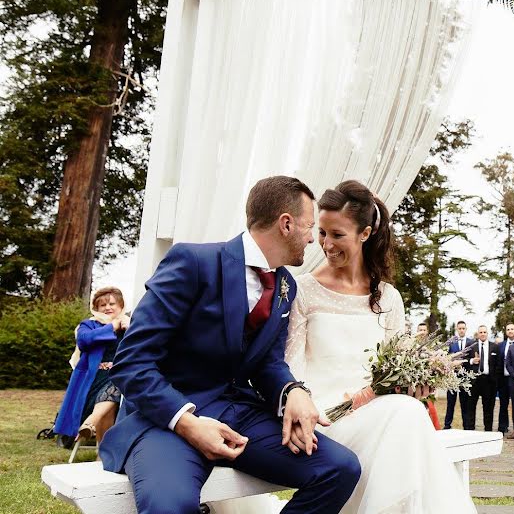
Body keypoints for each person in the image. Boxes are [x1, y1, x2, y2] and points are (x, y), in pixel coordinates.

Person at [99, 176, 360, 514]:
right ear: (286, 223)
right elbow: (132, 362)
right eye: (310, 227)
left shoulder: (285, 285)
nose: (313, 239)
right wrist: (187, 422)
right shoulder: (193, 262)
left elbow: (268, 362)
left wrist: (293, 391)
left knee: (339, 468)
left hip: (241, 415)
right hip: (167, 419)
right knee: (170, 506)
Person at [285, 180, 476, 513]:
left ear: (365, 234)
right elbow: (291, 368)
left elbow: (395, 368)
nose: (327, 244)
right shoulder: (303, 291)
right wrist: (306, 410)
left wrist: (413, 384)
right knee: (407, 416)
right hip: (325, 419)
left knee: (408, 411)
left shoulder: (388, 298)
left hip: (379, 412)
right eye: (322, 232)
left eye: (337, 234)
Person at [54, 287, 130, 443]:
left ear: (121, 306)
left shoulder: (131, 324)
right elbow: (84, 341)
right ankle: (102, 453)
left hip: (121, 379)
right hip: (93, 380)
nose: (108, 307)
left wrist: (130, 328)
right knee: (114, 393)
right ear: (96, 308)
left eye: (112, 304)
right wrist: (112, 327)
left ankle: (91, 422)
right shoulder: (89, 325)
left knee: (117, 382)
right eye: (103, 305)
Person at [444, 321, 475, 430]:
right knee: (450, 403)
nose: (461, 330)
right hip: (452, 377)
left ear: (466, 329)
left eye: (463, 328)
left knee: (465, 404)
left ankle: (466, 426)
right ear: (457, 329)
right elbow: (446, 358)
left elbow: (473, 359)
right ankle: (447, 425)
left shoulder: (472, 342)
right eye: (459, 328)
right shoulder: (451, 343)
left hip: (465, 377)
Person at [467, 325, 498, 431]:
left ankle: (488, 429)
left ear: (487, 333)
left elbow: (498, 364)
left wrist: (495, 380)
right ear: (478, 334)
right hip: (475, 380)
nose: (483, 334)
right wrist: (472, 361)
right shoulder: (471, 346)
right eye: (481, 332)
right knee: (471, 406)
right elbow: (464, 360)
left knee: (488, 407)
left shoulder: (494, 347)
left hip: (489, 381)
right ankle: (470, 429)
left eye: (485, 332)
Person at [495, 323, 514, 434]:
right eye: (508, 329)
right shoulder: (501, 346)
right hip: (503, 379)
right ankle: (502, 426)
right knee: (503, 404)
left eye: (512, 329)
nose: (510, 331)